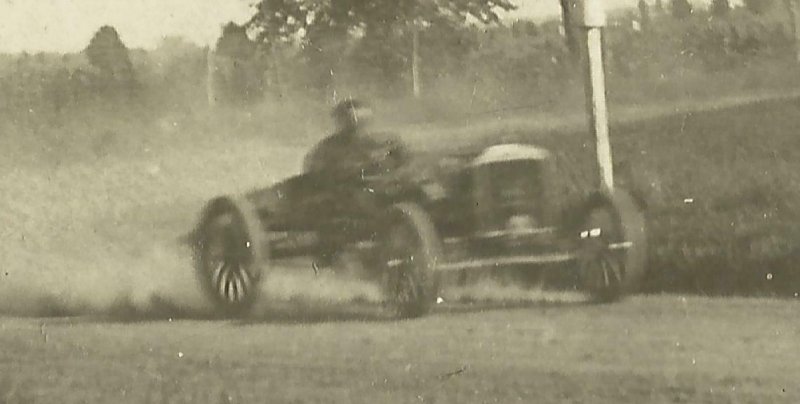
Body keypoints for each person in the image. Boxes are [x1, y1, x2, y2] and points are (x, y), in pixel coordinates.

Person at [304, 99, 410, 271]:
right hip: (348, 203)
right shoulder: (326, 149)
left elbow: (408, 161)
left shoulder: (387, 141)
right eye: (350, 119)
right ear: (340, 122)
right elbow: (314, 179)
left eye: (359, 120)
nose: (356, 124)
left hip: (391, 193)